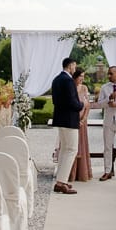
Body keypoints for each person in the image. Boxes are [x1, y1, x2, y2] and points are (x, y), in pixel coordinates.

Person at [51, 57, 83, 194]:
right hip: (69, 120)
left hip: (60, 119)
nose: (75, 69)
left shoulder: (56, 79)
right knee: (71, 150)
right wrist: (82, 104)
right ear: (70, 66)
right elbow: (73, 103)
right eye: (74, 66)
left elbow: (55, 101)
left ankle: (60, 180)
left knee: (64, 150)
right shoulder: (68, 80)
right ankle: (61, 182)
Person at [68, 69, 92, 183]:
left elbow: (87, 105)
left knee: (81, 146)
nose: (82, 78)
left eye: (83, 76)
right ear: (75, 76)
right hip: (71, 122)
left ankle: (82, 173)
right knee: (71, 146)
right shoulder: (70, 87)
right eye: (80, 76)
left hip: (82, 123)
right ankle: (70, 173)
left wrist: (84, 119)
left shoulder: (84, 88)